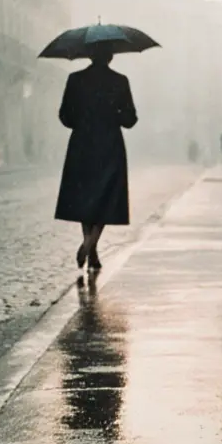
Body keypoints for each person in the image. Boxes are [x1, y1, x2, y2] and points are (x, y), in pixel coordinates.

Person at [54, 43, 139, 272]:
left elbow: (65, 115)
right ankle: (90, 246)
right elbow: (130, 119)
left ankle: (90, 248)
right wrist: (114, 114)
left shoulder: (75, 79)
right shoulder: (120, 81)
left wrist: (82, 120)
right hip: (109, 144)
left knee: (86, 196)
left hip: (82, 143)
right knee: (106, 196)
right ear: (111, 57)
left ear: (89, 56)